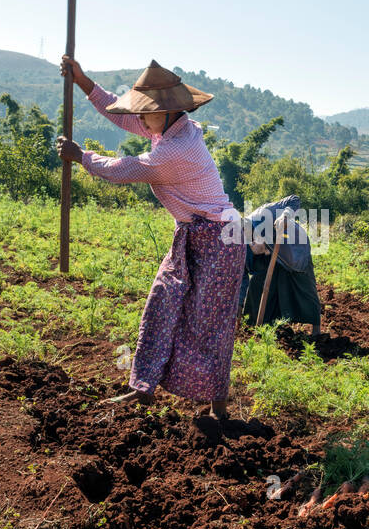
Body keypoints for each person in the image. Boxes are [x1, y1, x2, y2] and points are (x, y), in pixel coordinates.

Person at [56, 56, 244, 418]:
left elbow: (125, 169)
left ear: (170, 111)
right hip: (194, 234)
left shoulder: (175, 151)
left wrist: (82, 157)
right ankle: (143, 389)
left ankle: (218, 408)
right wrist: (83, 82)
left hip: (222, 241)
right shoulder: (170, 129)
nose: (140, 119)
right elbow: (123, 115)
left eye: (147, 112)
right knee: (160, 305)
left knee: (209, 323)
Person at [238, 194, 321, 336]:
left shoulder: (263, 214)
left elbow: (294, 199)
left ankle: (316, 331)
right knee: (258, 285)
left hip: (293, 249)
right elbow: (242, 278)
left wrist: (286, 215)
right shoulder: (239, 248)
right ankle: (258, 327)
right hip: (270, 256)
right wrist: (238, 309)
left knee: (304, 287)